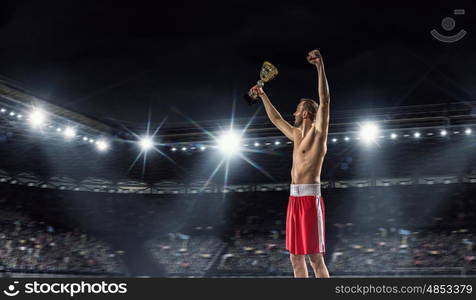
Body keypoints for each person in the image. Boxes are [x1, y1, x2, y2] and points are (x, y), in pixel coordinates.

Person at [249, 49, 330, 278]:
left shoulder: (318, 133)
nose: (293, 111)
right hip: (294, 199)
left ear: (306, 113)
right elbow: (275, 119)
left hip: (310, 199)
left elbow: (324, 100)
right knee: (296, 258)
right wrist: (263, 95)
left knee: (315, 258)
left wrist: (319, 66)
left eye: (298, 108)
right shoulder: (295, 134)